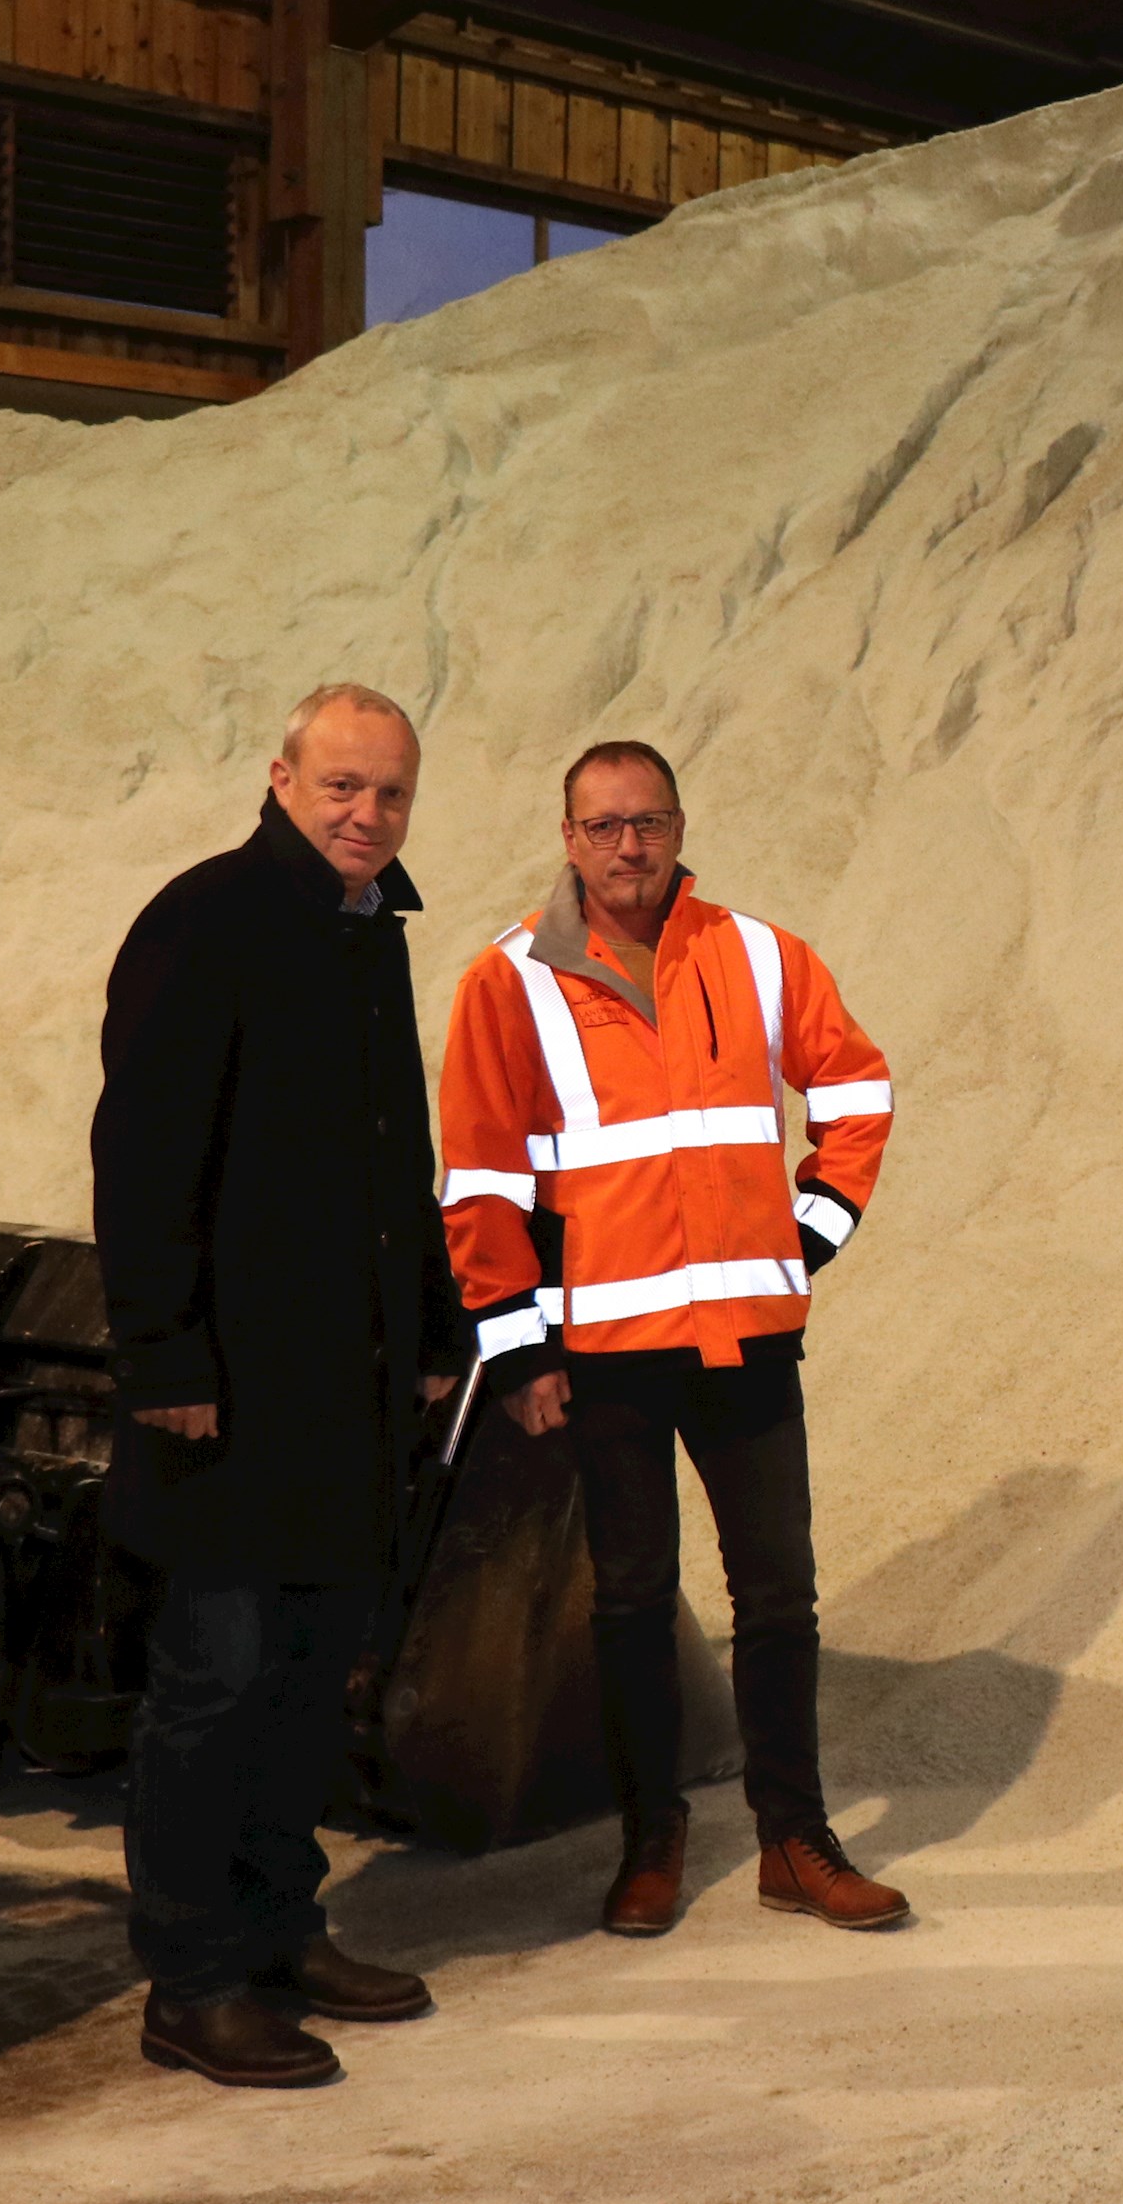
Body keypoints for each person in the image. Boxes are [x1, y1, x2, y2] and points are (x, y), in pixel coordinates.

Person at [435, 738, 904, 1939]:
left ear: (680, 827)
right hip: (609, 1349)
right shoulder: (509, 980)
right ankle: (653, 1842)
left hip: (747, 1335)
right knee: (633, 1602)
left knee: (779, 1597)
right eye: (603, 827)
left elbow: (852, 1092)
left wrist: (811, 1229)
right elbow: (481, 1179)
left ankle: (794, 1841)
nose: (628, 846)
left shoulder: (756, 953)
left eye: (647, 822)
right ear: (568, 837)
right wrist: (523, 1351)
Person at [93, 681, 471, 2088]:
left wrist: (433, 1326)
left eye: (390, 793)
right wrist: (164, 1358)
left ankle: (279, 1925)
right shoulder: (208, 920)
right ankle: (190, 1978)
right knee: (217, 1681)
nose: (367, 814)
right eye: (342, 787)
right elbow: (142, 1158)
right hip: (235, 1395)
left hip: (345, 1385)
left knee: (310, 1677)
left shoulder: (367, 933)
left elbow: (394, 1158)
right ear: (280, 778)